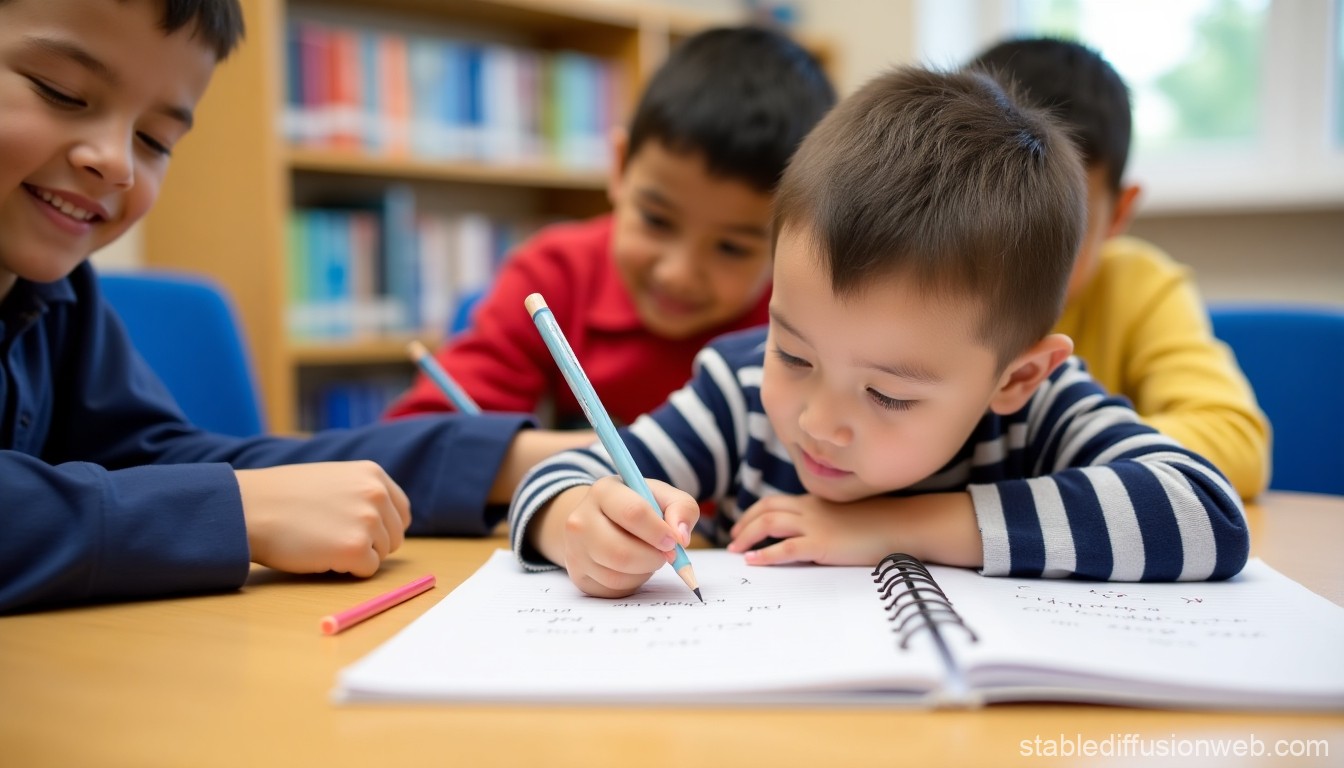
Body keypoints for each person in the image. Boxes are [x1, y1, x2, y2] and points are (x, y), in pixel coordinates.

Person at [506, 66, 1250, 599]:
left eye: (889, 395)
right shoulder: (736, 394)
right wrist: (580, 522)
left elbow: (1204, 510)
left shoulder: (1043, 414)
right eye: (793, 352)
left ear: (1016, 377)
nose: (818, 422)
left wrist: (905, 527)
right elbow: (560, 477)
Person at [0, 0, 587, 614]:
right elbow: (215, 491)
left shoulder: (59, 297)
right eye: (60, 92)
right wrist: (237, 510)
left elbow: (161, 461)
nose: (117, 162)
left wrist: (502, 460)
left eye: (154, 139)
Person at [384, 26, 836, 427]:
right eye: (657, 221)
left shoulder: (810, 319)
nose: (677, 273)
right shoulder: (556, 275)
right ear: (619, 167)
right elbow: (412, 446)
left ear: (797, 233)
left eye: (732, 248)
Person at [967, 38, 1269, 500]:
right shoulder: (908, 282)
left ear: (1119, 214)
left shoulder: (1139, 286)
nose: (1014, 263)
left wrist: (1029, 452)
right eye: (984, 226)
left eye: (1061, 235)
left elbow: (1235, 442)